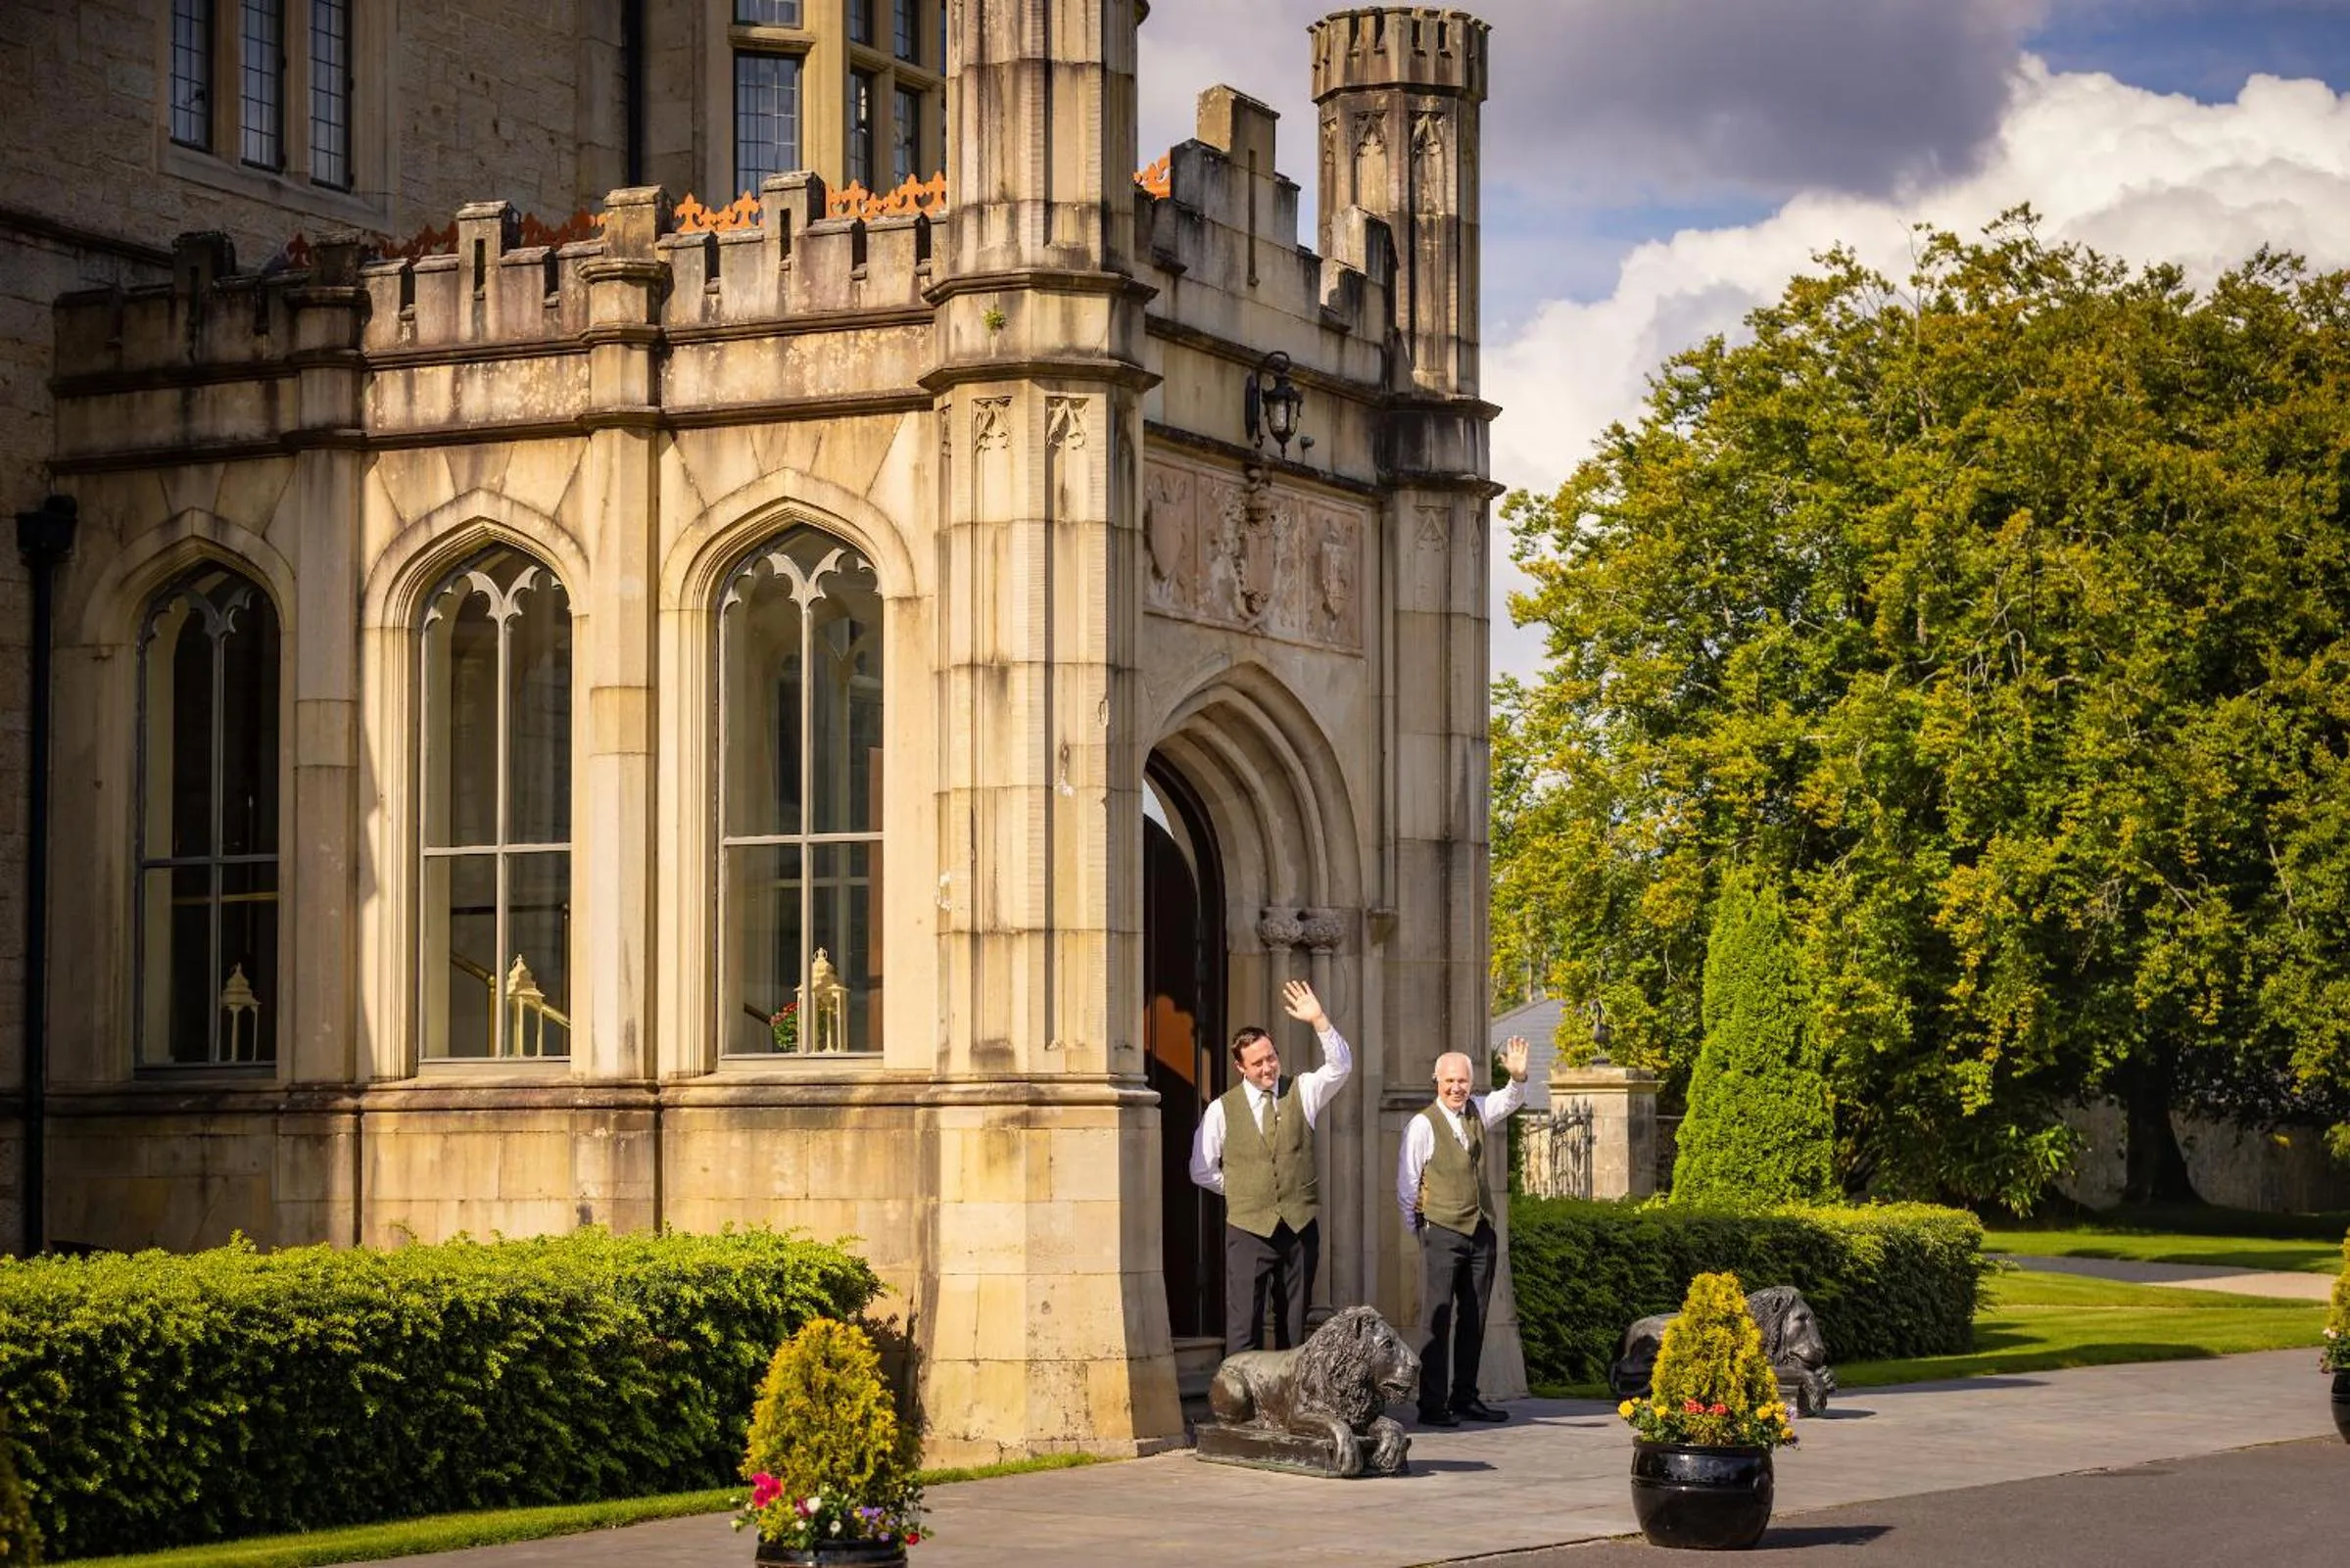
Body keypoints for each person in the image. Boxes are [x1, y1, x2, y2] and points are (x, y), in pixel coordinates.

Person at [1188, 979, 1354, 1355]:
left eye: (1271, 1057)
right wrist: (1245, 1189)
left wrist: (1320, 1021)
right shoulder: (1221, 1109)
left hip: (1298, 1227)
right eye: (1258, 1062)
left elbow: (1341, 1067)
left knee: (1293, 1325)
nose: (1268, 1068)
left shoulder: (1303, 1090)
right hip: (1248, 1230)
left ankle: (1290, 1406)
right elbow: (1201, 1169)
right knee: (1243, 1322)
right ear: (1240, 1068)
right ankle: (1239, 1407)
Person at [1397, 1036, 1530, 1426]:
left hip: (1479, 1231)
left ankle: (1466, 1397)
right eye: (1449, 1081)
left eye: (1463, 1082)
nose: (1456, 1088)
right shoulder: (1422, 1124)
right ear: (1436, 1081)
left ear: (1471, 1084)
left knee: (1475, 1316)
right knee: (1437, 1318)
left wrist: (1519, 1078)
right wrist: (1421, 1229)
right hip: (1440, 1231)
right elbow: (1406, 1185)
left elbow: (1509, 1101)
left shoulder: (1477, 1111)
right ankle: (1432, 1404)